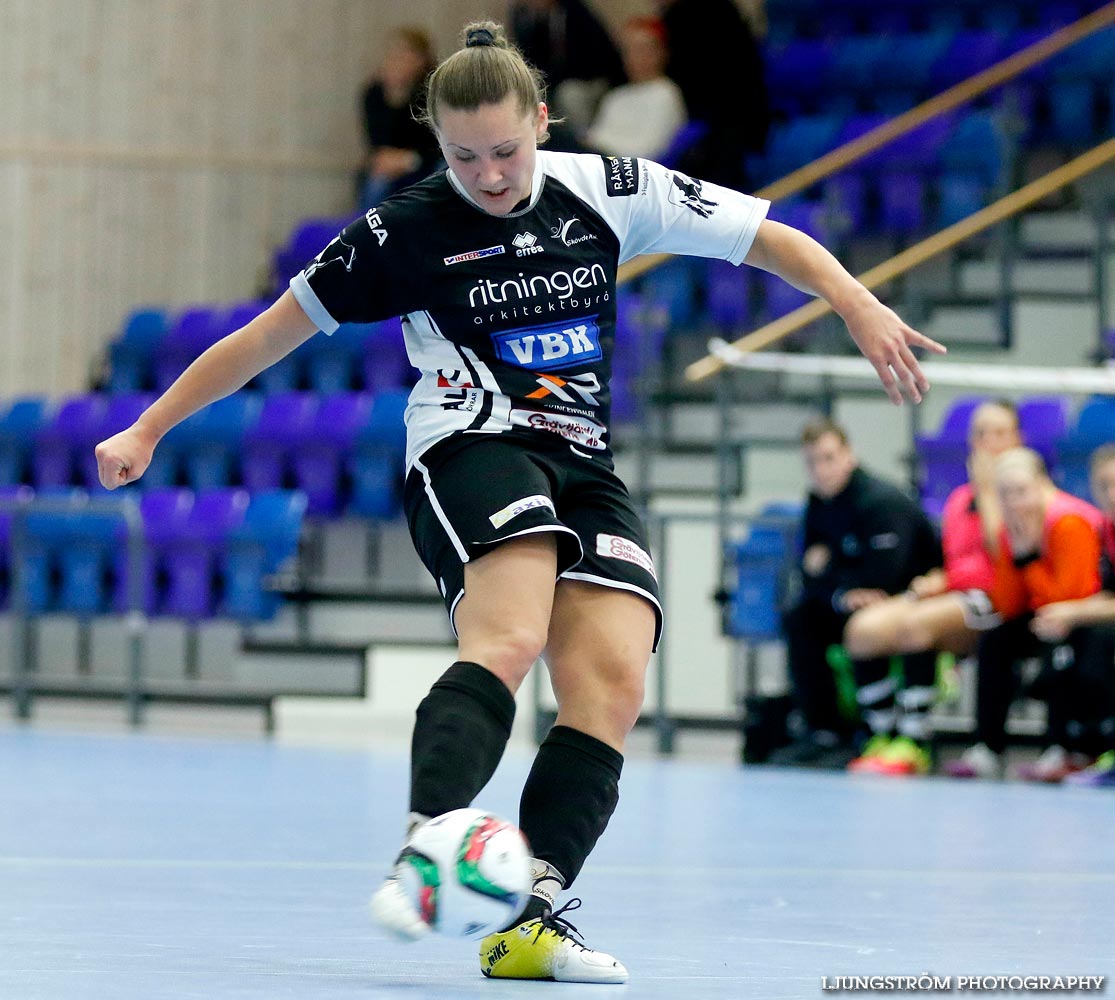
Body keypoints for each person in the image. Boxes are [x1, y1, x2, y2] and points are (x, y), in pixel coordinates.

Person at [94, 21, 943, 983]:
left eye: (506, 149)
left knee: (612, 685)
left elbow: (766, 237)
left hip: (582, 459)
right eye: (464, 156)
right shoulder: (403, 231)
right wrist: (149, 427)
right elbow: (262, 338)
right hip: (471, 441)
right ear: (437, 145)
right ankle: (429, 846)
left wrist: (858, 304)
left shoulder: (608, 189)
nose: (489, 174)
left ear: (542, 121)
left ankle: (529, 918)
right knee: (508, 633)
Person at [841, 400, 1023, 767]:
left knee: (915, 626)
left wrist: (989, 493)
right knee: (862, 630)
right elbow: (954, 562)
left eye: (999, 433)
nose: (988, 443)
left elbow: (1008, 560)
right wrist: (934, 581)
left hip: (999, 599)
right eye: (981, 434)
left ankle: (914, 740)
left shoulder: (1023, 496)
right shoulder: (958, 500)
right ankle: (882, 734)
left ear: (1017, 439)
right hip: (955, 593)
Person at [771, 418, 942, 773]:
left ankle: (885, 731)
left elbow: (885, 575)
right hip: (852, 599)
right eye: (812, 462)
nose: (821, 470)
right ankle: (824, 731)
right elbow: (808, 572)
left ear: (849, 455)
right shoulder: (819, 501)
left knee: (864, 621)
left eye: (829, 458)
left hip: (911, 598)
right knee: (801, 618)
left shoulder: (881, 502)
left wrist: (833, 573)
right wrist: (841, 589)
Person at [946, 447, 1104, 780]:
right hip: (1043, 612)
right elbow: (1007, 602)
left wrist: (1029, 559)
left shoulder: (1069, 523)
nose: (1014, 502)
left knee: (1059, 636)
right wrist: (1019, 555)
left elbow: (1070, 598)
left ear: (1042, 484)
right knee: (996, 638)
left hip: (1081, 619)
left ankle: (1059, 748)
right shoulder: (1012, 527)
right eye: (1005, 495)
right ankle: (988, 748)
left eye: (1021, 491)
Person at [1032, 444, 1115, 786]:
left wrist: (1075, 611)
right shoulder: (1106, 531)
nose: (1111, 494)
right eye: (1103, 485)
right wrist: (1069, 613)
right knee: (1067, 634)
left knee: (1098, 638)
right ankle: (1074, 749)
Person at [658, 0, 770, 190]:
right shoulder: (674, 17)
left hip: (734, 117)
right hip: (707, 118)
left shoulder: (711, 13)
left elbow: (735, 78)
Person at [509, 0, 624, 137]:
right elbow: (527, 59)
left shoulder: (574, 12)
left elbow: (594, 58)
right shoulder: (524, 17)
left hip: (590, 80)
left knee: (569, 95)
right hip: (554, 82)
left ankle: (584, 142)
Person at [357, 27, 441, 211]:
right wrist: (393, 98)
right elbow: (377, 142)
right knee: (377, 178)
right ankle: (368, 230)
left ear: (421, 60)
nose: (396, 60)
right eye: (393, 53)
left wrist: (409, 160)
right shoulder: (375, 93)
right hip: (391, 164)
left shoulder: (432, 93)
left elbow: (439, 143)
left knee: (443, 172)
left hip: (425, 162)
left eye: (404, 53)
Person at [582, 17, 687, 161]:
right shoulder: (616, 96)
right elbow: (593, 136)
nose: (635, 57)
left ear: (661, 53)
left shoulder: (666, 94)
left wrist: (597, 146)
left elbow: (648, 150)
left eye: (642, 49)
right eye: (628, 50)